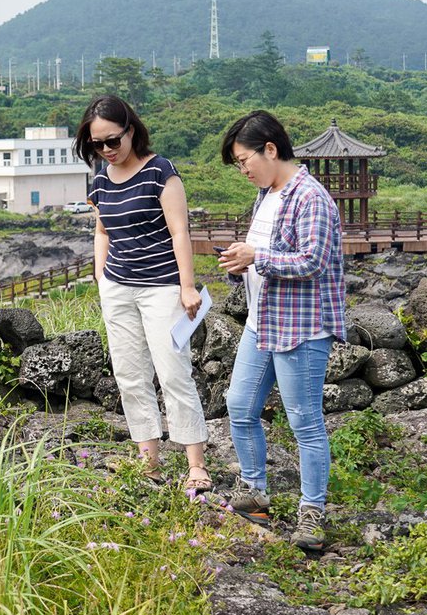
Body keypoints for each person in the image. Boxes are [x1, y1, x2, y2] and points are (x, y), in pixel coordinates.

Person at [216, 110, 346, 551]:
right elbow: (262, 255)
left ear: (270, 149)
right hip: (262, 321)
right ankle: (254, 492)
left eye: (243, 160)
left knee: (304, 421)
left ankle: (313, 513)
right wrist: (240, 264)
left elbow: (313, 261)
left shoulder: (312, 198)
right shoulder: (266, 195)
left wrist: (256, 258)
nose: (243, 170)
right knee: (239, 404)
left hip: (302, 327)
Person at [76, 94, 212, 492]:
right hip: (118, 288)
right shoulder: (101, 178)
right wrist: (101, 276)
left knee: (173, 373)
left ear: (131, 131)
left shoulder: (160, 172)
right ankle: (148, 462)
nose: (106, 150)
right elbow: (102, 230)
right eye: (96, 144)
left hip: (162, 288)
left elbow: (180, 232)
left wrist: (187, 286)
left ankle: (196, 465)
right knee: (130, 376)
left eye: (112, 141)